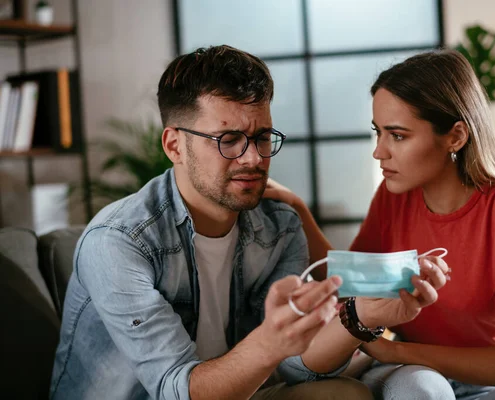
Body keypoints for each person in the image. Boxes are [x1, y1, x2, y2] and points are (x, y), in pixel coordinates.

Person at [50, 45, 449, 400]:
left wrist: (363, 317)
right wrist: (269, 343)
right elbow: (178, 389)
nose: (254, 158)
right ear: (175, 145)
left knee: (343, 394)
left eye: (261, 137)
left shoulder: (278, 228)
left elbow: (294, 364)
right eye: (228, 139)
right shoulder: (119, 242)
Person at [264, 49, 495, 399]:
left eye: (397, 135)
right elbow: (346, 283)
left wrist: (394, 351)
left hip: (486, 381)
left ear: (456, 137)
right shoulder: (394, 195)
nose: (379, 151)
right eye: (378, 132)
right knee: (421, 387)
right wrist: (297, 208)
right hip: (417, 377)